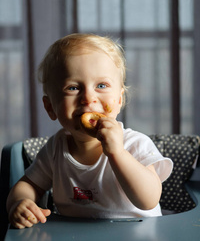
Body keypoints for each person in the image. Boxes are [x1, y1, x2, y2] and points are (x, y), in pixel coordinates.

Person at [6, 33, 173, 229]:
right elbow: (29, 185)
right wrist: (19, 203)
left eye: (101, 85)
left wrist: (117, 153)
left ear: (119, 100)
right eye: (73, 88)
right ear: (50, 107)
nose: (88, 98)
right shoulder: (55, 149)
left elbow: (149, 199)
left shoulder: (135, 144)